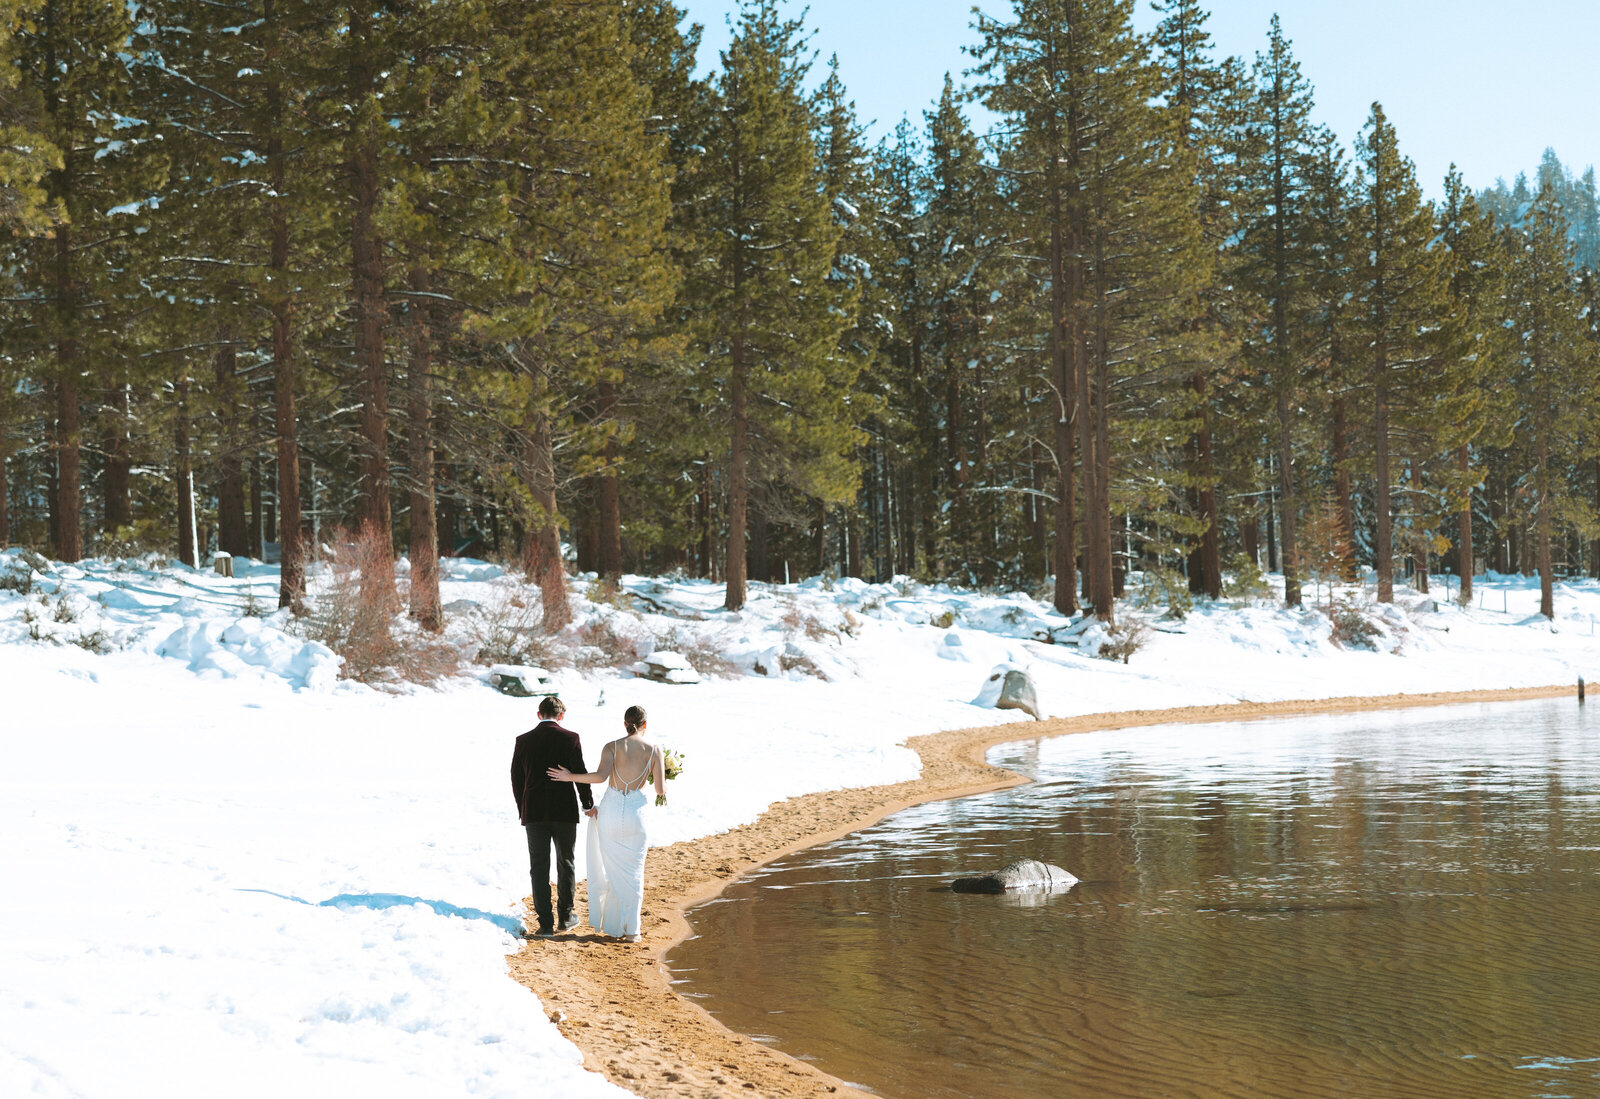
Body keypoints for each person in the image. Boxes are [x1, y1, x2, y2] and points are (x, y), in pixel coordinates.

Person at [548, 704, 665, 943]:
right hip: (636, 816)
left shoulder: (611, 746)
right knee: (634, 874)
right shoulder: (654, 749)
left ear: (624, 724)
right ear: (645, 725)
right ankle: (632, 930)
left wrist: (569, 776)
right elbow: (660, 790)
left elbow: (600, 777)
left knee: (614, 872)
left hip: (610, 814)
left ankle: (615, 924)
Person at [510, 696, 594, 937]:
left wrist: (522, 806)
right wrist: (587, 803)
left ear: (539, 714)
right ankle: (566, 917)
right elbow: (579, 772)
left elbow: (516, 778)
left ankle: (545, 923)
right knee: (565, 862)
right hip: (564, 811)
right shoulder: (571, 738)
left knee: (538, 866)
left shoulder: (523, 740)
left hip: (534, 811)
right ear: (561, 715)